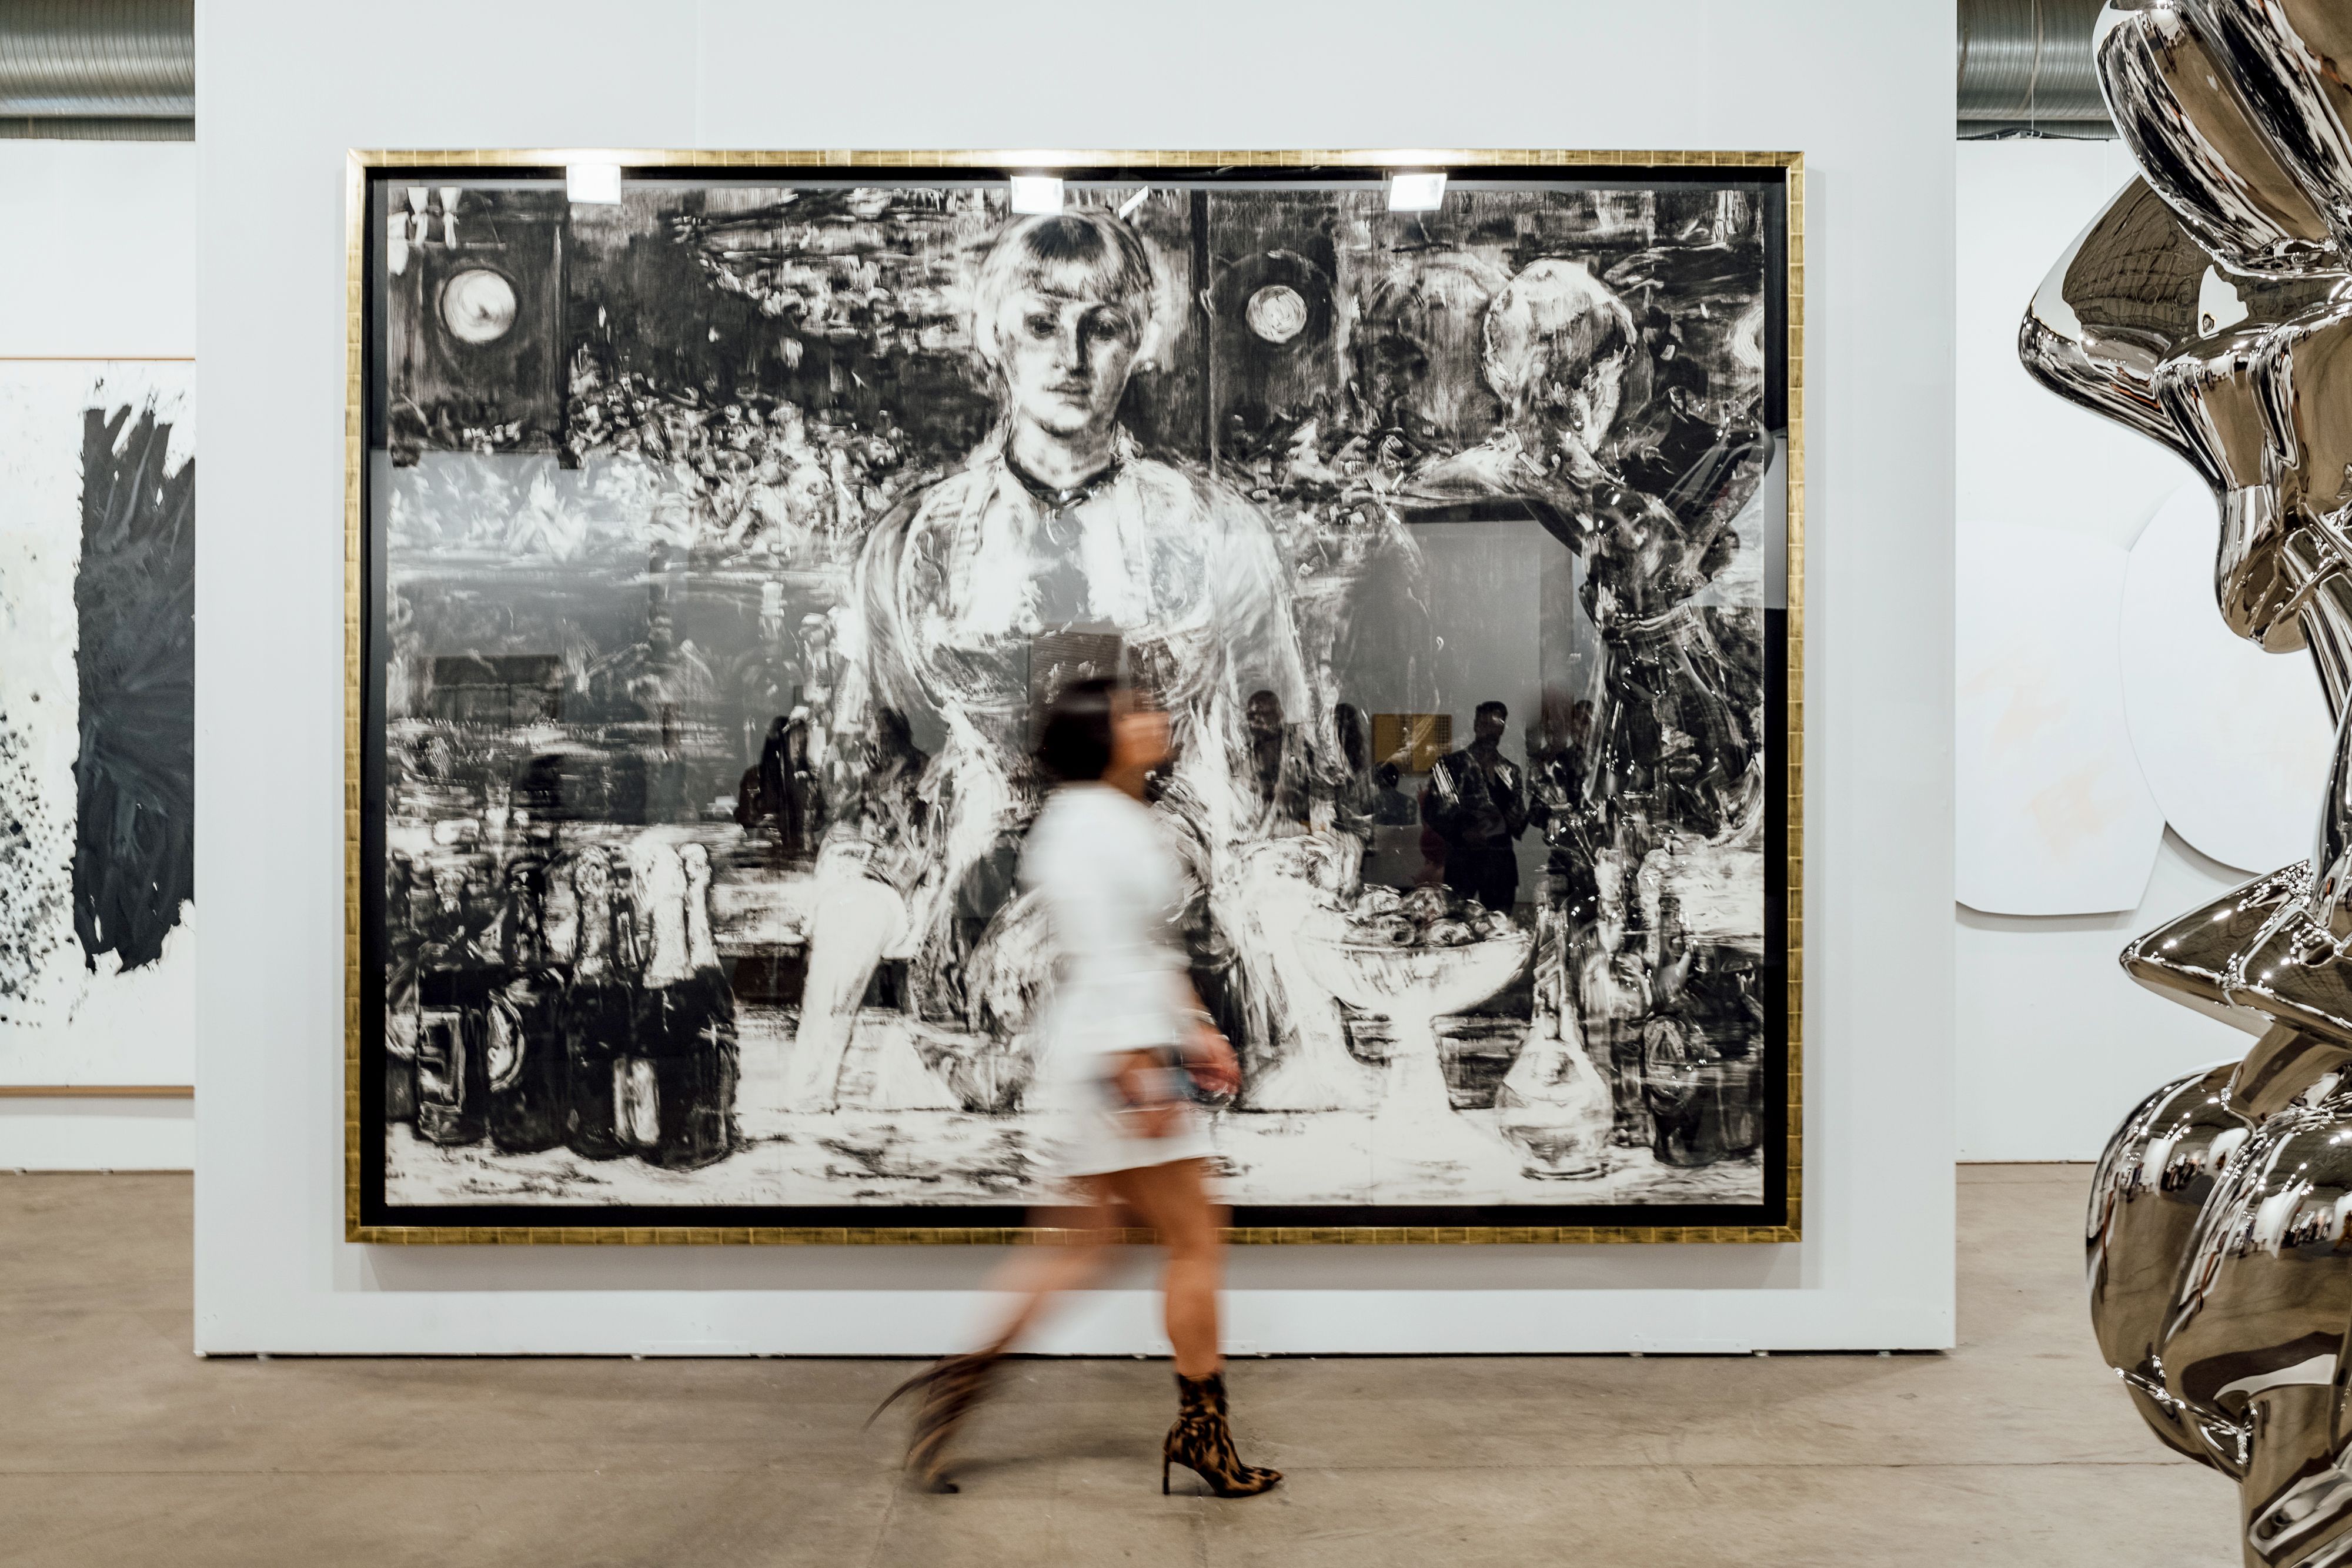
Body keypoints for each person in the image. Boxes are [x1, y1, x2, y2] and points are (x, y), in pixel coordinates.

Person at [789, 205, 1316, 1111]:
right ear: (993, 333)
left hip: (1187, 1003)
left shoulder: (1212, 531)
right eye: (1041, 323)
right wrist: (813, 1067)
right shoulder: (919, 544)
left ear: (1139, 340)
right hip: (970, 1030)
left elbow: (1272, 792)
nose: (1071, 355)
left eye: (1101, 326)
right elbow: (878, 805)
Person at [871, 678, 1282, 1499]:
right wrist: (1144, 1062)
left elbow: (1148, 945)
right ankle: (1202, 1430)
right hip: (1118, 1058)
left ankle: (953, 1390)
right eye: (1134, 711)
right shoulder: (1090, 823)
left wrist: (1198, 1029)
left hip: (1118, 1053)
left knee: (1080, 1247)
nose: (1154, 718)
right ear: (1101, 735)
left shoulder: (1106, 817)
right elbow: (1102, 955)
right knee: (1195, 1239)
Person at [1422, 700, 1529, 912]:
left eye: (1497, 725)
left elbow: (1518, 825)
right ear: (1476, 725)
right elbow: (1432, 811)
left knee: (1499, 929)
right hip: (1463, 862)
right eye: (1485, 724)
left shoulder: (1511, 771)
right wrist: (1462, 833)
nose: (1491, 731)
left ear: (1503, 728)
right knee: (1455, 926)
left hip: (1501, 865)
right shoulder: (1452, 765)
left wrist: (1519, 818)